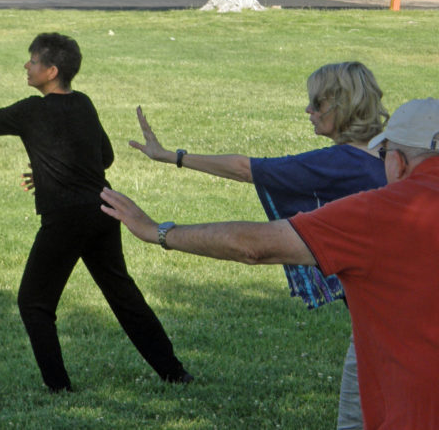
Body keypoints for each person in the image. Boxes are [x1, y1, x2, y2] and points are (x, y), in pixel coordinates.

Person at [100, 98, 439, 429]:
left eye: (384, 154)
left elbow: (252, 246)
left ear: (397, 161)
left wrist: (156, 231)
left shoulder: (381, 213)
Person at [0, 32, 192, 392]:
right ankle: (175, 373)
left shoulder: (30, 112)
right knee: (123, 295)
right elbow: (105, 158)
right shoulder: (83, 103)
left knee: (34, 302)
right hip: (103, 211)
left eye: (32, 61)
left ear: (51, 71)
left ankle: (60, 388)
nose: (26, 65)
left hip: (66, 219)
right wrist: (52, 172)